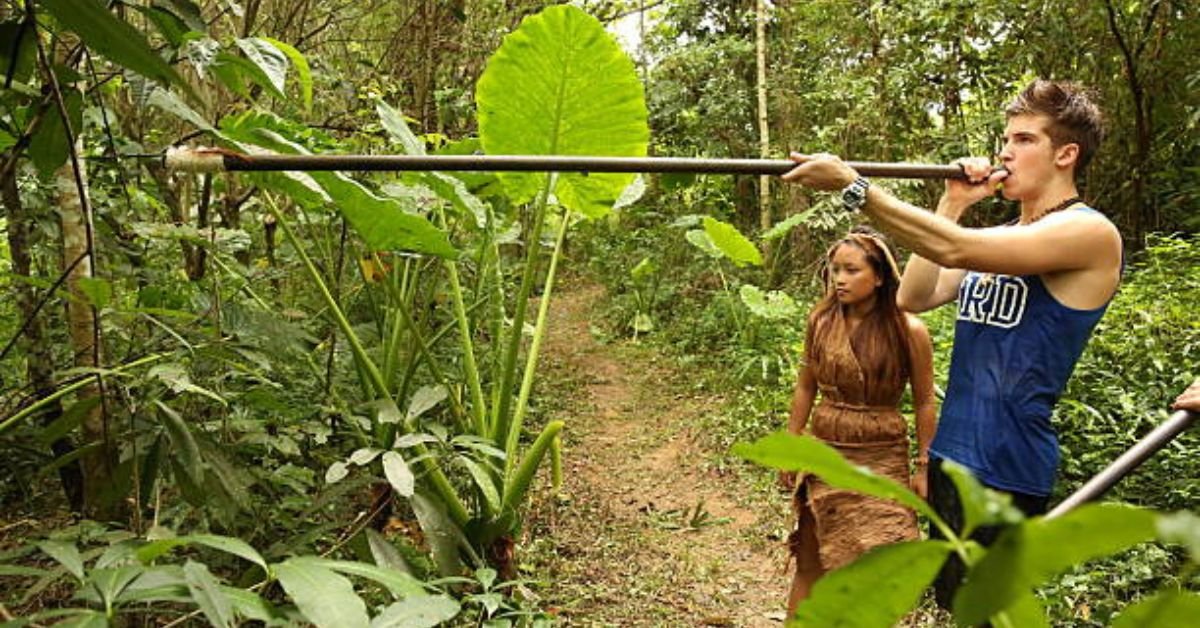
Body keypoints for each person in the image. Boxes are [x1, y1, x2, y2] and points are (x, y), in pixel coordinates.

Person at [781, 79, 1122, 610]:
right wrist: (952, 203)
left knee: (989, 616)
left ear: (1066, 154)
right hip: (951, 459)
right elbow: (915, 295)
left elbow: (956, 249)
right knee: (955, 610)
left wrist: (855, 187)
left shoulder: (1088, 233)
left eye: (1025, 139)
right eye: (1005, 138)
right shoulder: (1009, 235)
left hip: (1005, 468)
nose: (1005, 151)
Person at [782, 225, 937, 614]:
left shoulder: (908, 330)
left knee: (879, 563)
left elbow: (923, 403)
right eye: (835, 270)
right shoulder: (821, 321)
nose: (839, 280)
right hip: (827, 449)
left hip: (881, 455)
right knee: (811, 560)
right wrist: (791, 445)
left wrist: (924, 465)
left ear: (880, 276)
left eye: (852, 270)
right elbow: (805, 387)